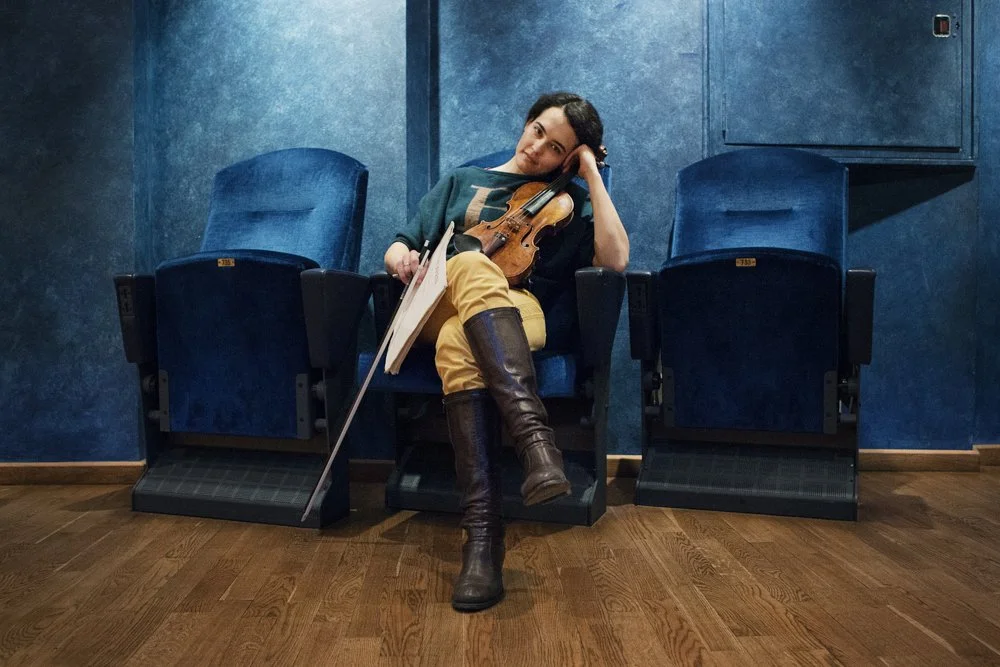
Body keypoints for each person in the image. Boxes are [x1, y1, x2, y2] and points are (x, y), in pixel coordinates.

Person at [384, 91, 629, 612]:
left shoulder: (568, 199)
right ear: (527, 122)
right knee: (471, 263)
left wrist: (591, 172)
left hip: (519, 308)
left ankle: (483, 540)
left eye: (555, 147)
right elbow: (401, 242)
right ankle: (536, 445)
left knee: (459, 341)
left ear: (567, 156)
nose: (537, 148)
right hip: (438, 300)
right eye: (537, 130)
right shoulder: (460, 180)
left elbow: (615, 260)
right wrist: (401, 257)